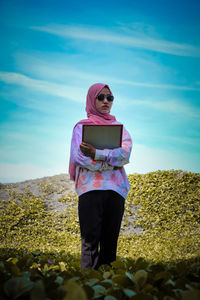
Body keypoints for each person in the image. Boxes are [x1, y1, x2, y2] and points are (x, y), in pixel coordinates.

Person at [69, 83, 132, 269]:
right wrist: (111, 162)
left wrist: (97, 153)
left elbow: (125, 155)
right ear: (91, 99)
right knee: (89, 242)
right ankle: (88, 288)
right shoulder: (81, 128)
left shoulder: (120, 128)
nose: (106, 101)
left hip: (115, 190)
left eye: (109, 98)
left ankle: (108, 290)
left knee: (110, 243)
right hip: (90, 190)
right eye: (100, 97)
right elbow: (78, 157)